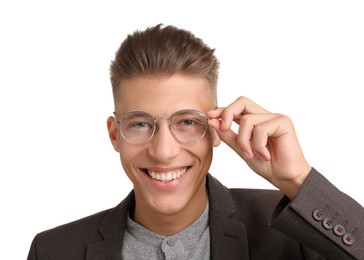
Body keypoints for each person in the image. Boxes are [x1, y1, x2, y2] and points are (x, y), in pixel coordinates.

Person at [27, 24, 363, 260]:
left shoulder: (295, 233)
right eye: (141, 124)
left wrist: (298, 180)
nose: (163, 151)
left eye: (187, 122)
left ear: (218, 129)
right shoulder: (54, 250)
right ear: (115, 134)